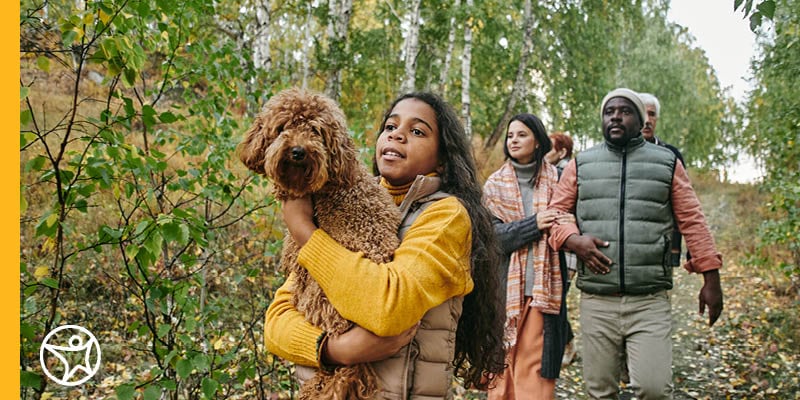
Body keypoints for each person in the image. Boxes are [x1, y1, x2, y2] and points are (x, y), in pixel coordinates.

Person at [263, 91, 506, 399]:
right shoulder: (340, 206)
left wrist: (304, 231)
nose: (398, 135)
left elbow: (389, 307)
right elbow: (276, 322)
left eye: (417, 131)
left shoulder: (446, 216)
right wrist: (333, 349)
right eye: (390, 127)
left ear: (443, 159)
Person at [547, 88, 724, 399]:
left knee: (653, 389)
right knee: (600, 390)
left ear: (641, 120)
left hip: (649, 300)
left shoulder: (666, 163)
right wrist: (573, 240)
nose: (615, 116)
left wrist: (711, 277)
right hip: (597, 299)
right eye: (609, 111)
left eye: (625, 111)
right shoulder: (582, 164)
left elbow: (692, 220)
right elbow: (557, 212)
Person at [483, 114, 573, 400]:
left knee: (534, 375)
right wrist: (534, 224)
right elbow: (493, 239)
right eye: (510, 135)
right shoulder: (494, 186)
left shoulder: (558, 181)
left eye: (521, 135)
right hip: (503, 291)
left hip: (543, 290)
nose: (513, 140)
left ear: (538, 141)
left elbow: (567, 223)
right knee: (502, 371)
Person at [638, 92, 688, 267]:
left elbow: (685, 205)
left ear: (657, 119)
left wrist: (694, 250)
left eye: (651, 114)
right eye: (642, 113)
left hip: (662, 243)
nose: (647, 120)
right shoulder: (615, 153)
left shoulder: (671, 155)